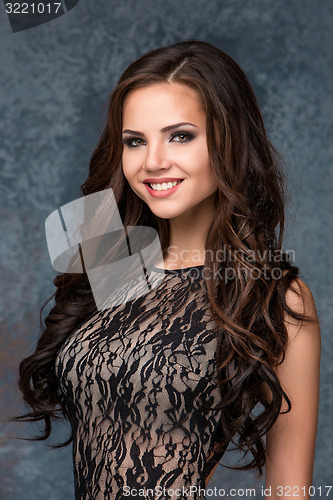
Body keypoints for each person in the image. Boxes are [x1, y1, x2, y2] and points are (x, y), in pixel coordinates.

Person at [12, 40, 321, 500]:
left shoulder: (275, 296)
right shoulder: (108, 258)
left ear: (228, 139)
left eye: (180, 135)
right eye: (135, 141)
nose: (153, 161)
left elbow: (289, 492)